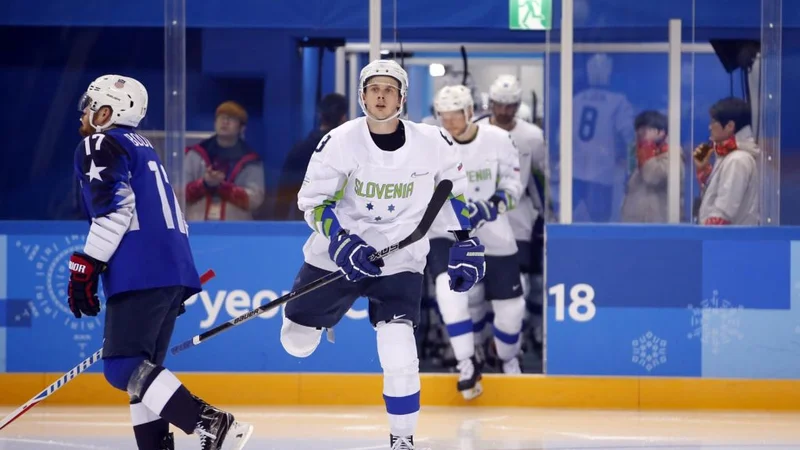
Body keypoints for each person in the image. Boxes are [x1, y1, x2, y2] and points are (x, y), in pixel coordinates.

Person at [278, 60, 485, 450]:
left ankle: (402, 438)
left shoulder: (433, 142)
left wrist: (465, 241)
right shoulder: (338, 141)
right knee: (296, 342)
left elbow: (453, 192)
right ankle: (317, 320)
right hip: (336, 257)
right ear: (362, 96)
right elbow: (313, 204)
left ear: (402, 99)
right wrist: (340, 242)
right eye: (374, 88)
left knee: (399, 347)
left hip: (401, 257)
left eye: (390, 89)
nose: (381, 95)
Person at [68, 75, 253, 450]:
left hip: (140, 270)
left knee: (122, 368)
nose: (84, 113)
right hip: (168, 267)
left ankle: (213, 424)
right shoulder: (143, 147)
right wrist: (174, 281)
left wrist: (85, 266)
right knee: (143, 378)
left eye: (90, 106)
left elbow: (115, 212)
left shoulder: (98, 143)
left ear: (106, 112)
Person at [428, 84, 524, 399]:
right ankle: (466, 363)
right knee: (449, 292)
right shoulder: (430, 144)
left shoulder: (498, 140)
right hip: (448, 234)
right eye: (443, 116)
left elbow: (513, 185)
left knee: (511, 310)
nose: (449, 122)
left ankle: (508, 359)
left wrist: (491, 206)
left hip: (495, 234)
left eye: (455, 115)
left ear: (470, 112)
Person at [473, 74, 548, 364]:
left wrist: (544, 215)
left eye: (510, 105)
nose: (504, 111)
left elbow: (540, 179)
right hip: (476, 220)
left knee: (518, 290)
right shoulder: (474, 129)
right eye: (499, 105)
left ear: (518, 105)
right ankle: (477, 345)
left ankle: (507, 350)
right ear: (490, 103)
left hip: (517, 220)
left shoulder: (531, 136)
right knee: (472, 291)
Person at [184, 101, 265, 221]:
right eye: (221, 117)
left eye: (231, 119)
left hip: (235, 230)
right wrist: (205, 184)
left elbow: (255, 200)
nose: (225, 122)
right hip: (197, 227)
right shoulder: (195, 154)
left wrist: (223, 187)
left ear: (242, 128)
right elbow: (180, 193)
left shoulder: (251, 161)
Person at [277, 93, 348, 219]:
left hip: (302, 221)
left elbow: (283, 195)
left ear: (320, 116)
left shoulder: (299, 150)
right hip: (338, 223)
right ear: (343, 118)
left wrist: (280, 222)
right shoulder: (348, 151)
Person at [695, 97, 760, 225]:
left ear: (730, 126)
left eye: (713, 122)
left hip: (728, 242)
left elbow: (723, 213)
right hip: (724, 241)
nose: (709, 127)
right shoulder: (728, 156)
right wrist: (703, 170)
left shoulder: (737, 160)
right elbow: (714, 201)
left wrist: (705, 238)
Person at [621, 110, 685, 223]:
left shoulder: (673, 155)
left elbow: (653, 177)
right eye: (639, 128)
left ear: (661, 132)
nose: (641, 133)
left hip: (659, 224)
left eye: (646, 129)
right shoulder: (639, 153)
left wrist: (646, 152)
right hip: (634, 224)